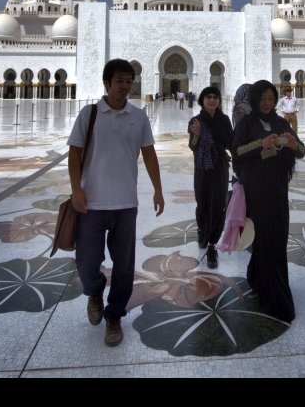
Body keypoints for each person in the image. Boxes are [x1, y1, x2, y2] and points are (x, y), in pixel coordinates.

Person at [68, 59, 165, 347]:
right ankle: (95, 292)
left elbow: (149, 154)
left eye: (128, 81)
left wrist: (158, 189)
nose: (125, 86)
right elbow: (74, 153)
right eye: (119, 80)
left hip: (125, 202)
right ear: (107, 83)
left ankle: (114, 316)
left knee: (124, 266)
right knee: (86, 263)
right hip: (91, 202)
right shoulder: (90, 114)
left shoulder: (139, 116)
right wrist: (76, 189)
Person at [231, 79, 305, 323]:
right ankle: (268, 290)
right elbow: (238, 151)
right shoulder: (246, 124)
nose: (267, 103)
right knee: (263, 239)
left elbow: (301, 150)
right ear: (254, 100)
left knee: (277, 236)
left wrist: (295, 145)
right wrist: (260, 143)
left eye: (271, 100)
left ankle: (261, 279)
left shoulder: (280, 121)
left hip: (276, 188)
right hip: (256, 189)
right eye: (263, 99)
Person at [188, 85, 232, 268]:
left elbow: (231, 142)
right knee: (203, 202)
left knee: (218, 205)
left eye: (215, 97)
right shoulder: (196, 121)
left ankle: (212, 245)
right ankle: (201, 231)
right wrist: (198, 135)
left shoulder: (224, 120)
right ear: (202, 100)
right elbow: (192, 146)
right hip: (202, 168)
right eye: (208, 97)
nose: (212, 100)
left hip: (219, 167)